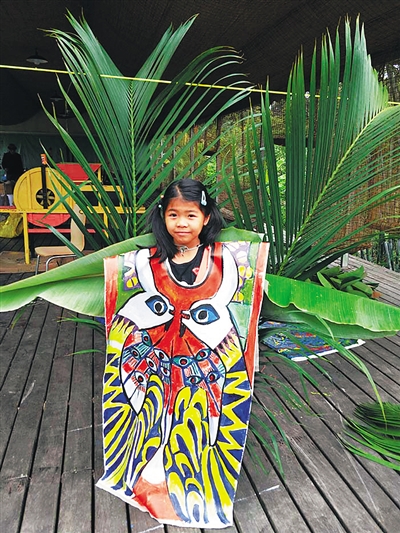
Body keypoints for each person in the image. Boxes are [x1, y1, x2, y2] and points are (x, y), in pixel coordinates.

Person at [97, 178, 269, 528]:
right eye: (173, 214)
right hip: (152, 367)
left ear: (205, 217)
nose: (182, 223)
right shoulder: (145, 261)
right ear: (163, 216)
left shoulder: (225, 261)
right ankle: (145, 483)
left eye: (191, 215)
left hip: (202, 372)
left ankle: (192, 496)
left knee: (199, 432)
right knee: (146, 424)